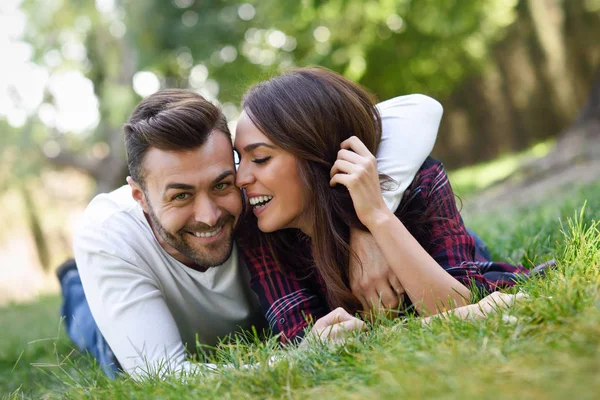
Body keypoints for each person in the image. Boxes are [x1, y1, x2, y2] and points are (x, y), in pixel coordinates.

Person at [58, 87, 444, 378]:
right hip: (131, 309)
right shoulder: (108, 235)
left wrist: (363, 225)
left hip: (257, 316)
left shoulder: (255, 191)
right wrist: (298, 357)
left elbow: (418, 111)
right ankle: (73, 283)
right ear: (140, 196)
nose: (208, 215)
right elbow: (162, 376)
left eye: (222, 185)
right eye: (181, 196)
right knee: (94, 332)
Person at [234, 67, 549, 343]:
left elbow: (456, 305)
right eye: (240, 159)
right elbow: (310, 344)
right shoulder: (257, 230)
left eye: (260, 158)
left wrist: (375, 218)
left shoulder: (419, 183)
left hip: (442, 253)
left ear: (317, 154)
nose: (241, 178)